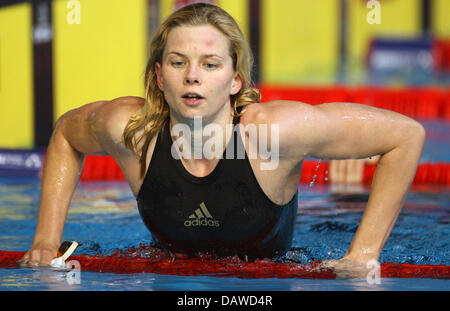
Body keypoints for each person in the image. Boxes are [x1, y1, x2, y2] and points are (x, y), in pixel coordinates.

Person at [18, 3, 425, 277]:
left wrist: (364, 253)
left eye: (210, 65)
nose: (192, 76)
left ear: (235, 80)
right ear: (160, 76)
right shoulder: (132, 131)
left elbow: (406, 135)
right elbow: (65, 136)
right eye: (178, 63)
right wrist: (45, 241)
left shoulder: (274, 134)